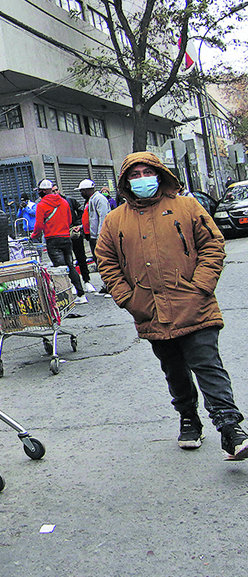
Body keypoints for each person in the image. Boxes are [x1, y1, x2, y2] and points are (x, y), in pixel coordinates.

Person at [96, 152, 248, 459]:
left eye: (146, 172)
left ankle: (230, 427)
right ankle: (189, 417)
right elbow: (106, 262)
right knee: (174, 370)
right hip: (150, 312)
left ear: (160, 174)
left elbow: (213, 245)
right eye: (134, 175)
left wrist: (201, 286)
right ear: (126, 182)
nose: (141, 179)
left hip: (194, 305)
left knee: (207, 364)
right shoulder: (114, 221)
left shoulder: (187, 206)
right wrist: (129, 298)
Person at [31, 179, 87, 304]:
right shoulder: (63, 202)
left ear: (43, 191)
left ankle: (66, 297)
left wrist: (34, 235)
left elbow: (39, 224)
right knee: (70, 265)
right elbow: (69, 219)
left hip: (52, 239)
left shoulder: (41, 205)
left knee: (59, 269)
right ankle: (81, 294)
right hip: (66, 237)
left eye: (39, 190)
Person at [78, 179, 113, 297]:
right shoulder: (91, 200)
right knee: (99, 262)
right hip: (92, 236)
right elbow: (91, 218)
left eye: (82, 191)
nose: (81, 194)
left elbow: (103, 218)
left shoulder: (99, 199)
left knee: (105, 261)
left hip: (99, 237)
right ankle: (105, 285)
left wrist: (100, 236)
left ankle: (111, 287)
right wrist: (82, 227)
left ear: (87, 190)